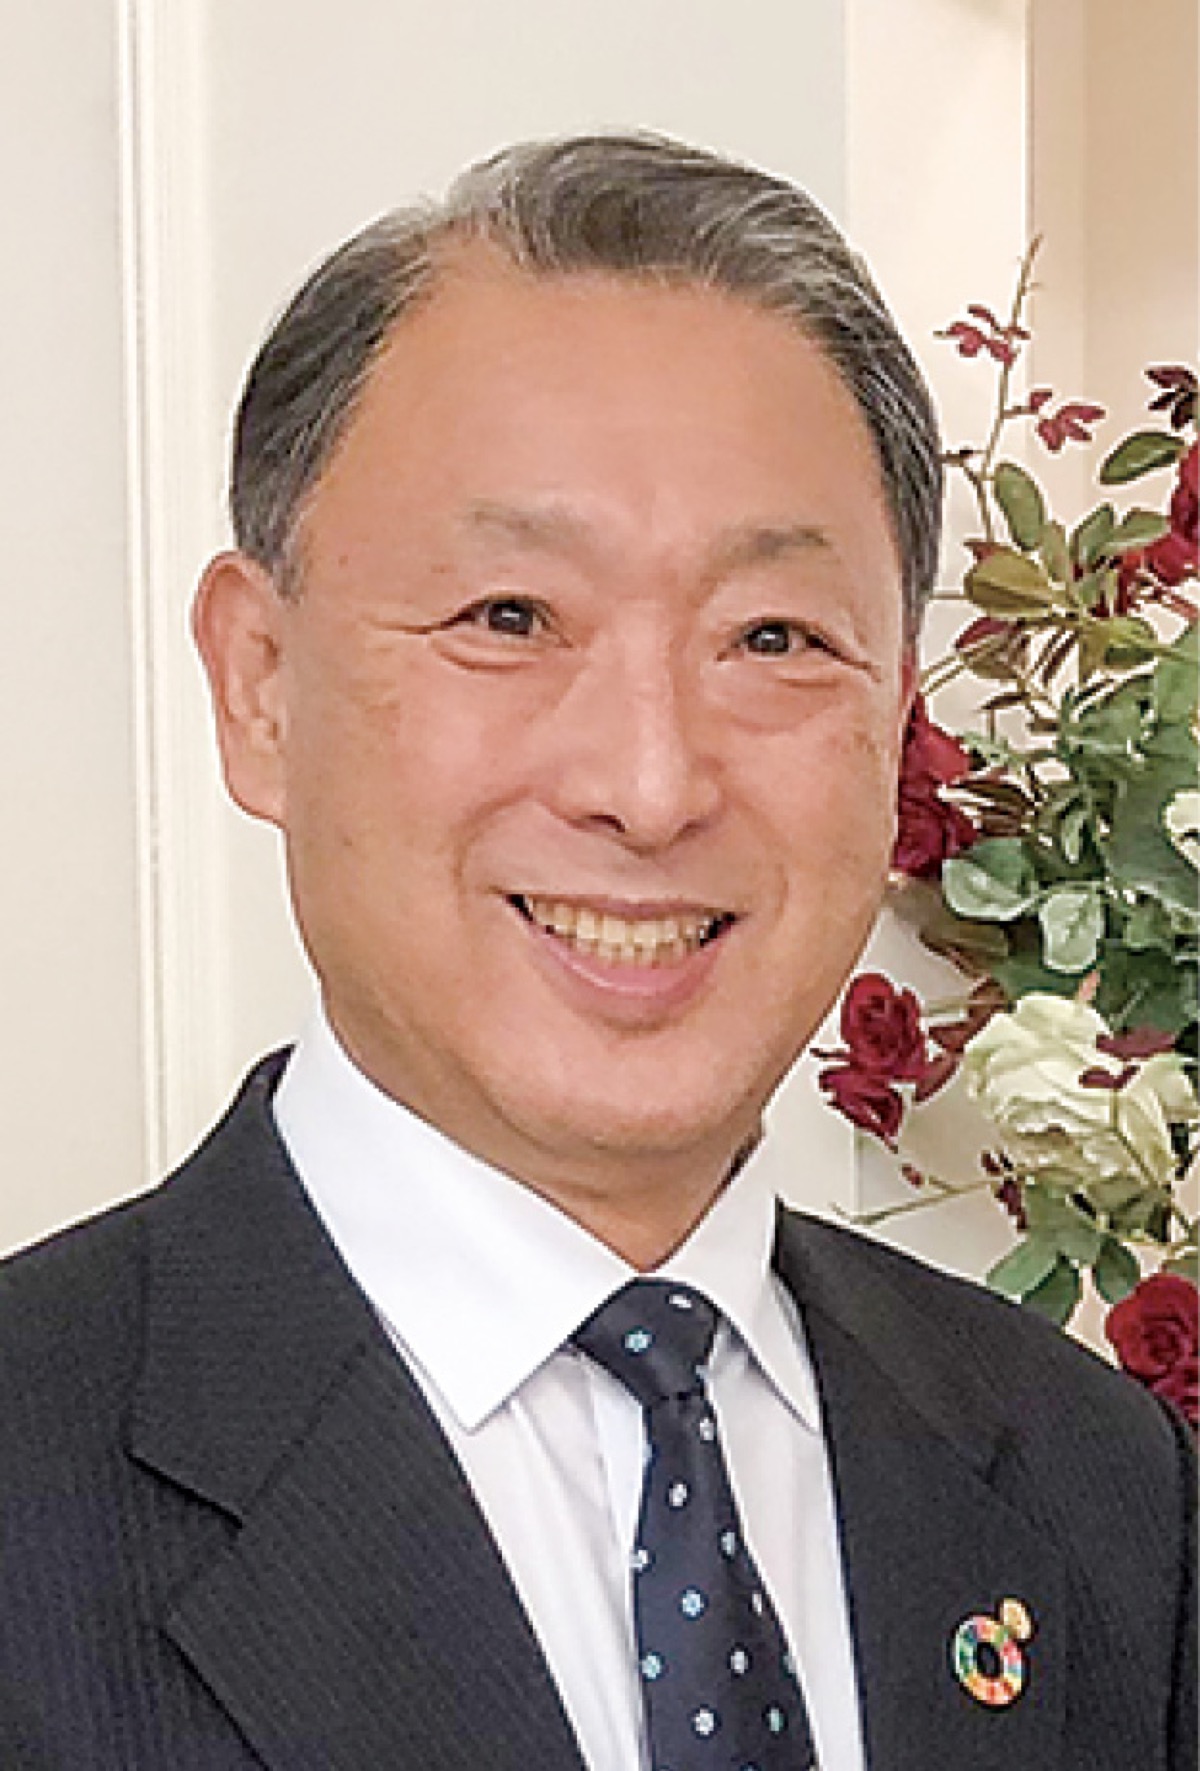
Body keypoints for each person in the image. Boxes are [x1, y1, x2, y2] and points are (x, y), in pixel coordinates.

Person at [0, 134, 1192, 1770]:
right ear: (259, 684)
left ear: (898, 719)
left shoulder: (1100, 1484)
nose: (649, 783)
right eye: (510, 619)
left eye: (774, 638)